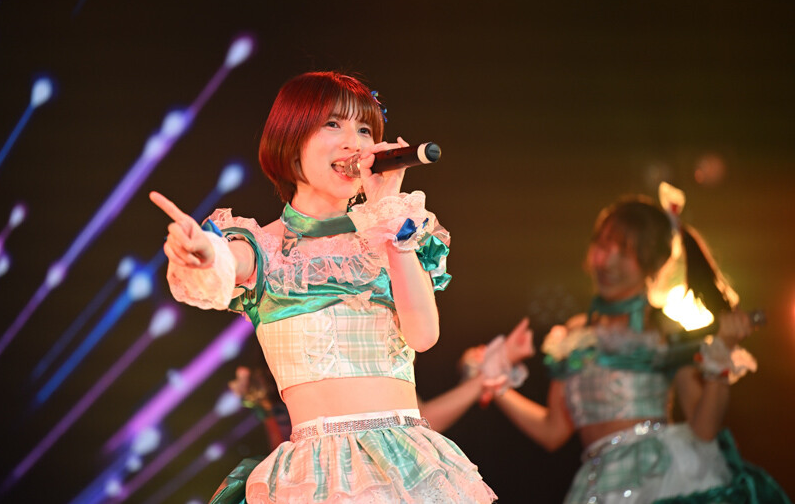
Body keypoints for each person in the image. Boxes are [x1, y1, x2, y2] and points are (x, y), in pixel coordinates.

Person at [150, 71, 497, 503]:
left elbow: (423, 335)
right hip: (317, 476)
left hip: (411, 467)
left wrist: (387, 213)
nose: (354, 143)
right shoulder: (263, 247)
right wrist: (204, 251)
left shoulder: (395, 233)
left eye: (365, 129)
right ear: (291, 140)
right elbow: (225, 260)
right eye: (333, 124)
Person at [488, 185, 791, 503]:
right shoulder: (572, 336)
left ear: (653, 263)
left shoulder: (664, 331)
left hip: (658, 477)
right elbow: (553, 431)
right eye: (602, 246)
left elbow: (703, 430)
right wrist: (492, 381)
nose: (608, 261)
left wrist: (721, 355)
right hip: (597, 485)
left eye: (624, 253)